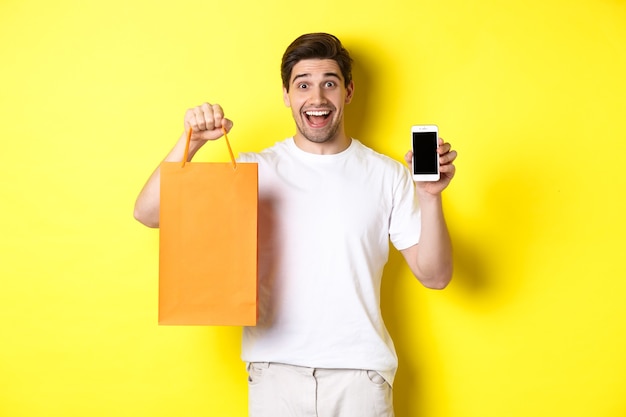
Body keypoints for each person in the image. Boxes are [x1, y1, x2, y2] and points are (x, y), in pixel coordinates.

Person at [134, 32, 457, 417]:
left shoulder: (387, 174)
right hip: (275, 374)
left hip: (360, 377)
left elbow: (435, 275)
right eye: (303, 85)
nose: (317, 98)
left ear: (348, 92)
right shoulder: (255, 171)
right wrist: (190, 142)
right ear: (287, 95)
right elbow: (149, 213)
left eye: (329, 84)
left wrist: (431, 196)